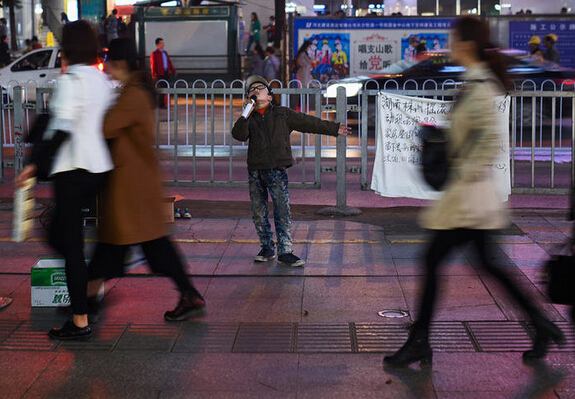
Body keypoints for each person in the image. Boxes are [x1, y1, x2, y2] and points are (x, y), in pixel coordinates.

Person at [383, 16, 564, 368]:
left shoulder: (481, 86)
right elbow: (471, 136)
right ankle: (542, 326)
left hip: (468, 201)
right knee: (490, 266)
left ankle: (420, 340)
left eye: (453, 41)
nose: (450, 46)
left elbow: (489, 142)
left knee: (434, 260)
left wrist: (457, 171)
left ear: (466, 45)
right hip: (471, 200)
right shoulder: (473, 82)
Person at [85, 38, 205, 322]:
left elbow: (106, 126)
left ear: (121, 63)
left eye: (110, 63)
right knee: (139, 247)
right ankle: (88, 300)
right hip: (133, 186)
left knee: (132, 247)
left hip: (131, 189)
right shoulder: (136, 90)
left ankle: (86, 303)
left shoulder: (134, 94)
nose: (106, 70)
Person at [15, 20, 114, 340]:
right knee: (63, 236)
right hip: (98, 169)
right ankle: (84, 293)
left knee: (68, 243)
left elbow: (62, 128)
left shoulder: (71, 81)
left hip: (72, 169)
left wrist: (33, 165)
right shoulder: (101, 79)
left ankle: (81, 319)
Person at [231, 76, 351, 267]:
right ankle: (266, 247)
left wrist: (334, 129)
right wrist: (245, 113)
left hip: (277, 169)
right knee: (258, 211)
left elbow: (308, 122)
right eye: (252, 89)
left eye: (260, 88)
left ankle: (285, 251)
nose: (255, 90)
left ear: (270, 96)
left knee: (282, 210)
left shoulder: (282, 114)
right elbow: (238, 134)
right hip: (256, 170)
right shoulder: (248, 118)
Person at [150, 37, 177, 108]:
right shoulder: (155, 54)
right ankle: (160, 104)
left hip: (165, 72)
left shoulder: (165, 53)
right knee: (160, 89)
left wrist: (173, 71)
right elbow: (153, 64)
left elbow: (169, 63)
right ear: (158, 44)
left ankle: (164, 103)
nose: (163, 44)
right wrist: (154, 74)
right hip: (159, 74)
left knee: (165, 88)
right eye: (161, 43)